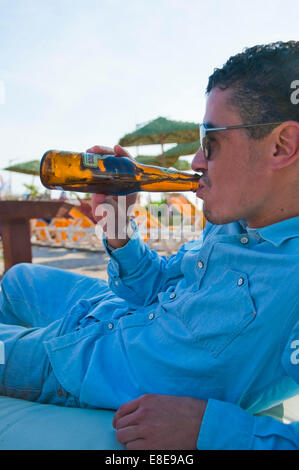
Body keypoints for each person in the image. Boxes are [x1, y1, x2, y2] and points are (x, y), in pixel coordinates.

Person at [0, 40, 299, 450]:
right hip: (110, 316)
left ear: (281, 146)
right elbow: (154, 288)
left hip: (80, 366)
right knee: (18, 279)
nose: (195, 161)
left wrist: (211, 431)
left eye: (209, 140)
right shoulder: (237, 220)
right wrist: (118, 225)